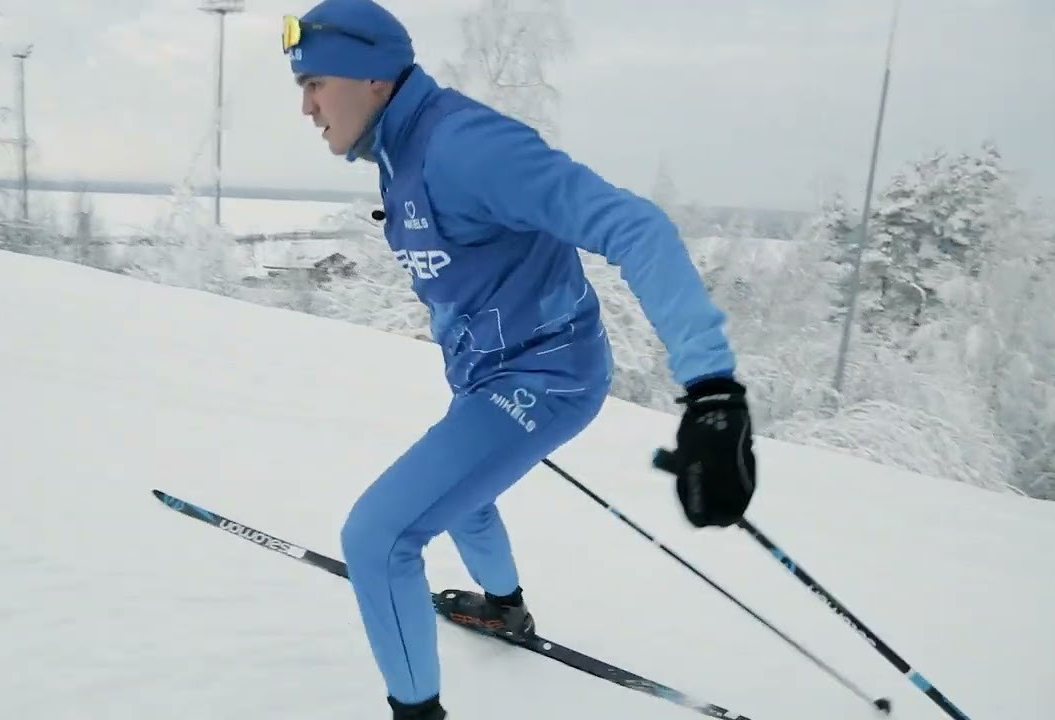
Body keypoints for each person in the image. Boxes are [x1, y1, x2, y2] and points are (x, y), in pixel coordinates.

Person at [281, 1, 756, 718]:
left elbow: (636, 227)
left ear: (373, 77)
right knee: (464, 499)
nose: (308, 108)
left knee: (377, 538)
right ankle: (505, 609)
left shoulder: (464, 146)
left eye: (316, 83)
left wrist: (713, 392)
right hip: (488, 376)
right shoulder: (399, 150)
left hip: (547, 377)